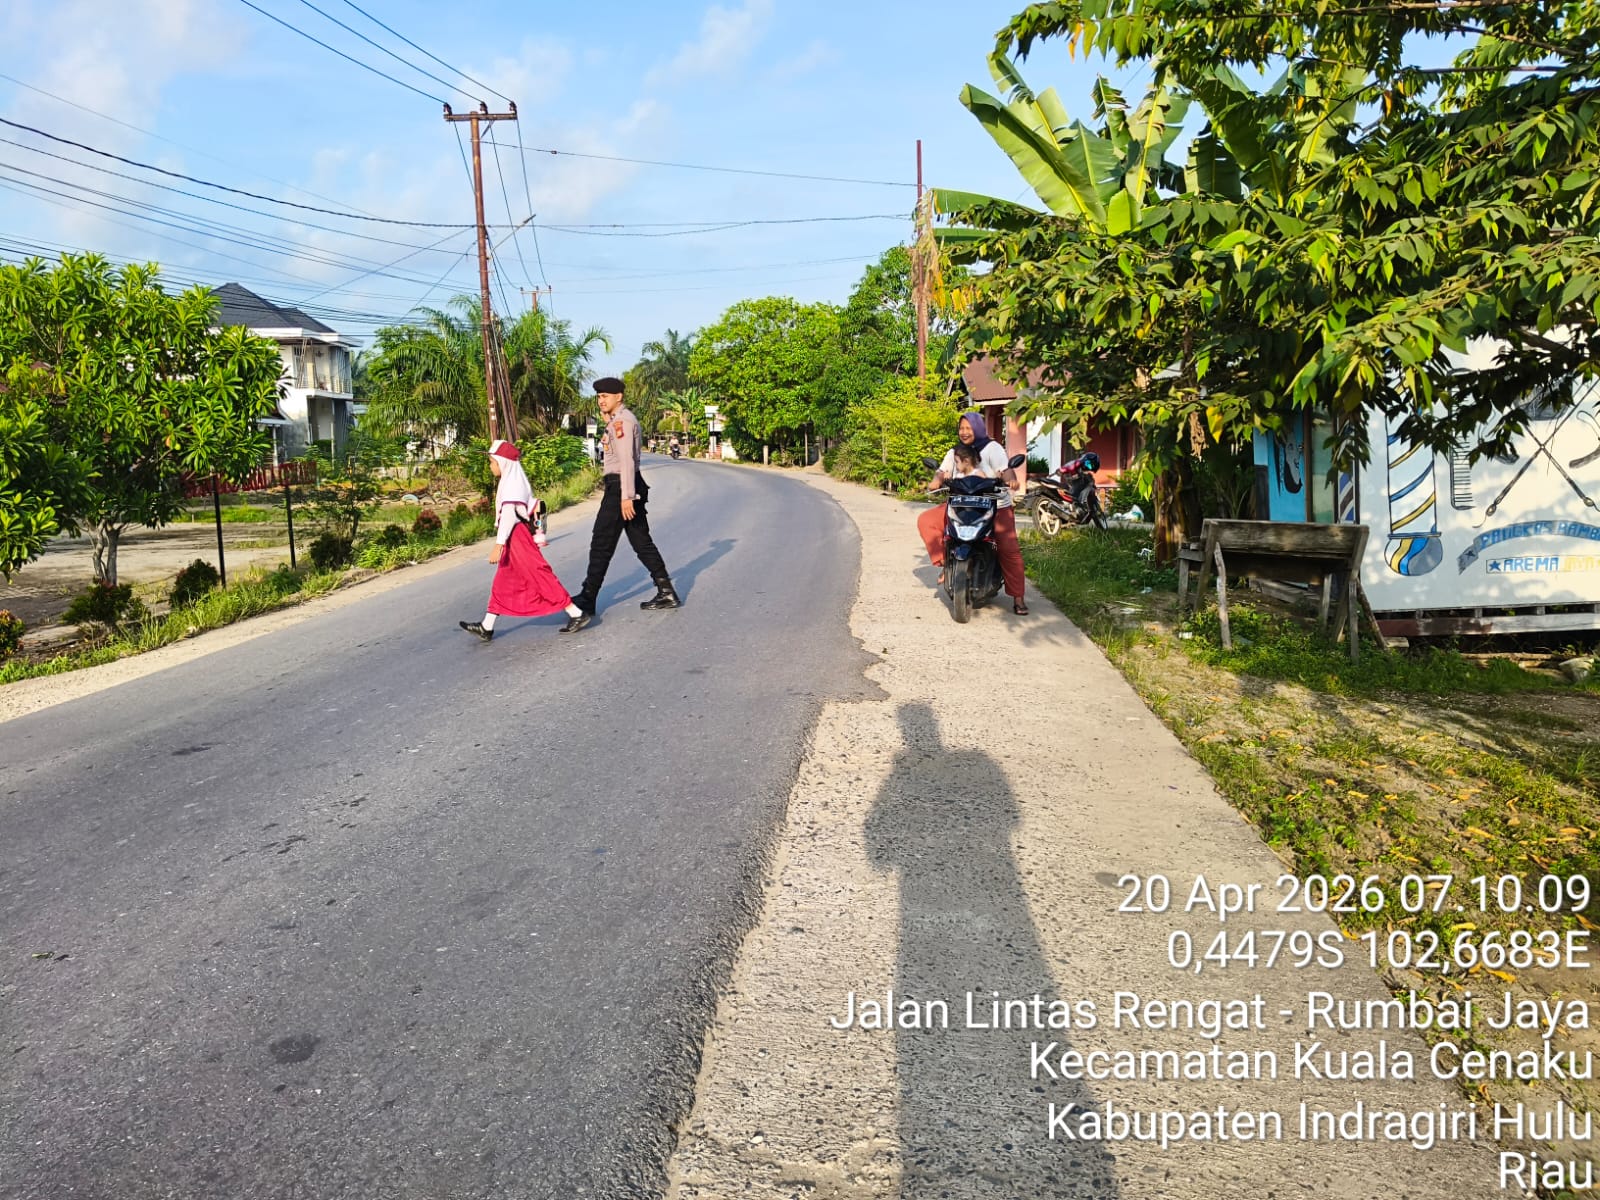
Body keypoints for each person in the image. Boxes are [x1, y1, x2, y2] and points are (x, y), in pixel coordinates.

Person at [562, 377, 678, 633]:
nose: (601, 400)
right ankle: (666, 590)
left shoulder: (623, 422)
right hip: (625, 486)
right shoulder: (617, 420)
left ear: (619, 397)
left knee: (601, 542)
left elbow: (626, 460)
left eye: (605, 395)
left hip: (621, 488)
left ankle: (587, 600)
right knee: (640, 540)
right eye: (599, 396)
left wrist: (627, 496)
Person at [459, 440, 585, 642]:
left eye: (492, 462)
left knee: (538, 574)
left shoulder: (512, 484)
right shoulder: (511, 480)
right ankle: (487, 625)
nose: (490, 466)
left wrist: (498, 545)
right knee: (504, 579)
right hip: (513, 536)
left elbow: (509, 514)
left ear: (503, 463)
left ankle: (576, 613)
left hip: (517, 536)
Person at [916, 409, 1029, 615]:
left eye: (968, 428)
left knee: (1009, 549)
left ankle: (1018, 598)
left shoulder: (992, 448)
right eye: (961, 428)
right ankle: (946, 564)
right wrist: (936, 481)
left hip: (995, 506)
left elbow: (1005, 470)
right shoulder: (955, 452)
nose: (964, 432)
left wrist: (1010, 479)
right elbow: (942, 471)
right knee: (926, 520)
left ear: (977, 428)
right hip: (961, 504)